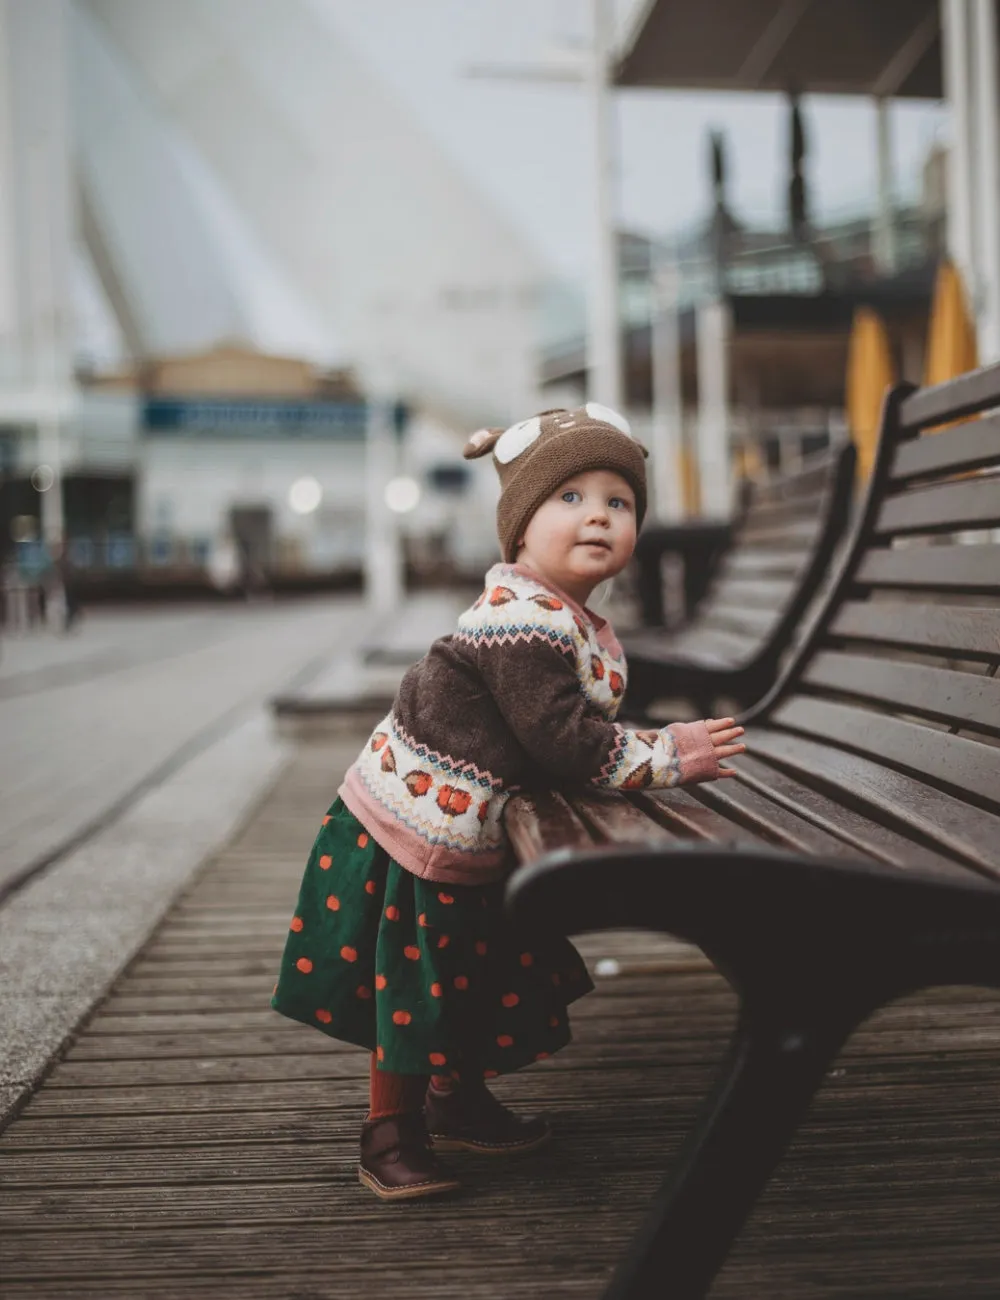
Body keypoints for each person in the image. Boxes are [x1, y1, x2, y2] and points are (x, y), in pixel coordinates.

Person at [271, 403, 746, 1201]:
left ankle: (456, 1098)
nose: (597, 513)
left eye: (618, 501)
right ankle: (388, 1131)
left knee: (473, 961)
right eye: (569, 498)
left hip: (463, 820)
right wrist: (670, 755)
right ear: (519, 528)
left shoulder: (560, 615)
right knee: (421, 979)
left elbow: (563, 730)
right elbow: (567, 741)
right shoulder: (520, 623)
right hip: (415, 830)